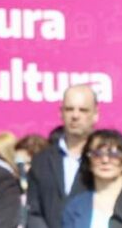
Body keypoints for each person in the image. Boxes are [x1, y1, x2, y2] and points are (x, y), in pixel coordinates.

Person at [26, 84, 97, 227]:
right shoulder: (41, 160)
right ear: (61, 113)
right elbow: (33, 211)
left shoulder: (104, 161)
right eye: (69, 109)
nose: (75, 116)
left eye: (83, 110)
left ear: (95, 114)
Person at [60, 129, 122, 228]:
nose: (105, 160)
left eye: (113, 154)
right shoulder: (76, 206)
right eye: (97, 154)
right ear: (88, 163)